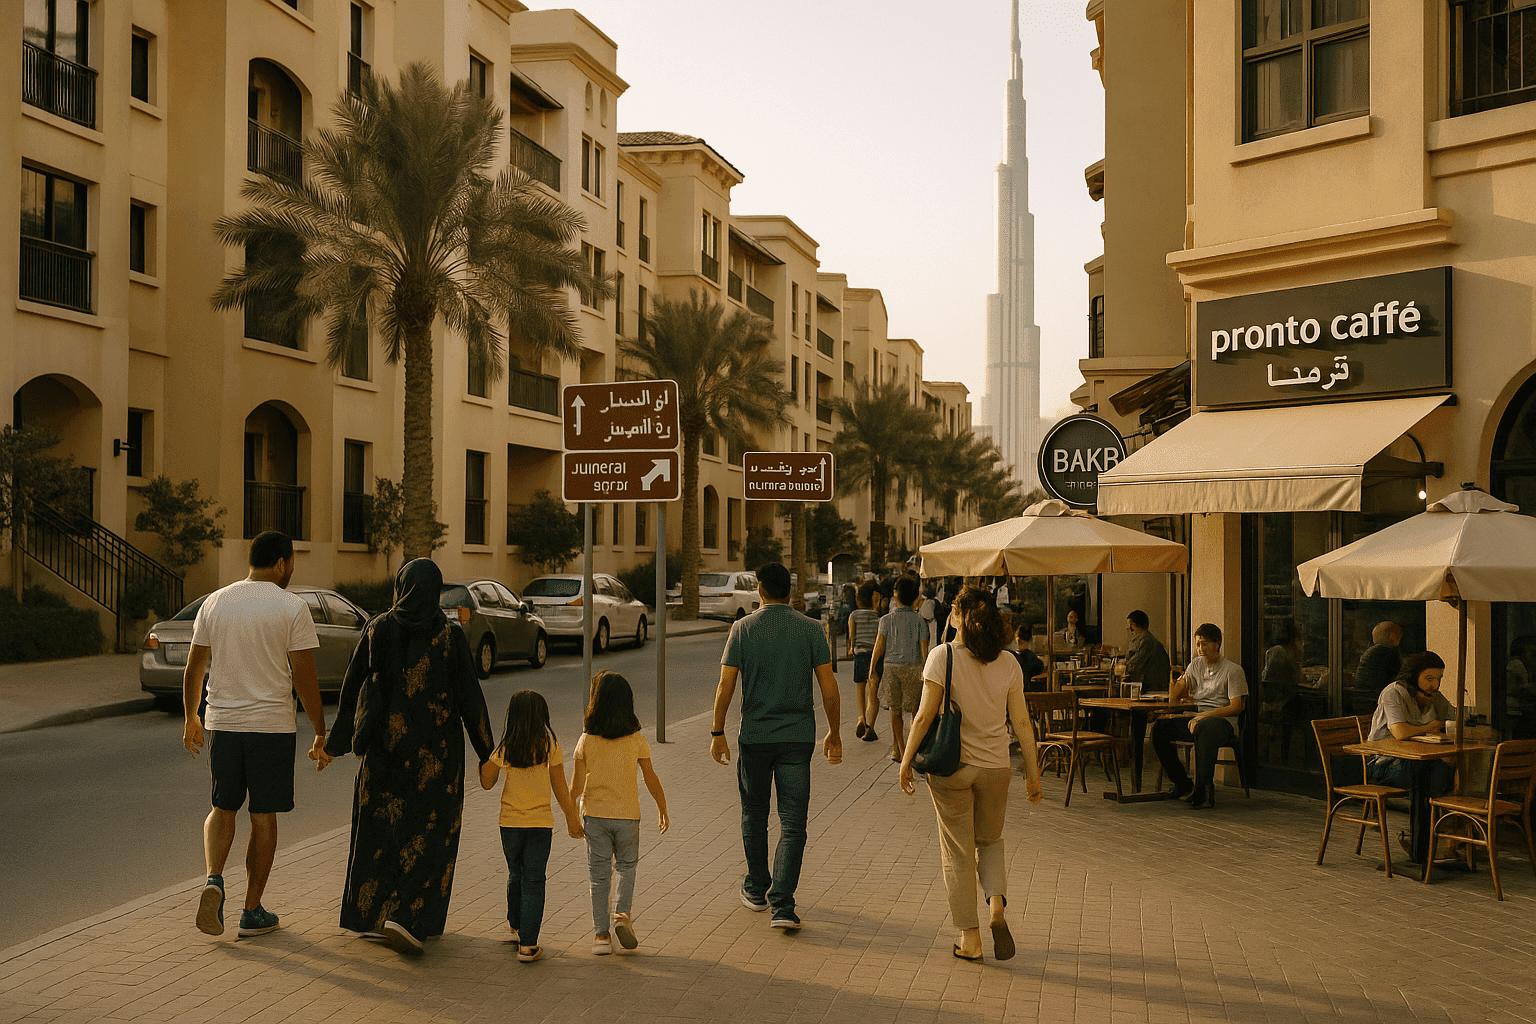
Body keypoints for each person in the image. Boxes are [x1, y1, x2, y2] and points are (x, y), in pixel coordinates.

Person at [321, 557, 495, 956]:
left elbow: (352, 688)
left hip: (385, 752)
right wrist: (487, 753)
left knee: (379, 831)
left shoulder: (378, 627)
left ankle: (373, 916)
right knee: (429, 834)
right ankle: (410, 918)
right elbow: (470, 698)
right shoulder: (449, 635)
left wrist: (335, 743)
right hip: (437, 758)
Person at [181, 530, 325, 940]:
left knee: (222, 807)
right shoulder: (292, 607)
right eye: (291, 562)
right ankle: (251, 910)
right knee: (263, 817)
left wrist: (191, 718)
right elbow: (305, 678)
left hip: (222, 724)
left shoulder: (215, 601)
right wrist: (320, 731)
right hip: (271, 728)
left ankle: (213, 879)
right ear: (281, 563)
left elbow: (194, 667)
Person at [899, 586, 1042, 962]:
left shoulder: (942, 656)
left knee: (958, 853)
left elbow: (923, 717)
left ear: (958, 615)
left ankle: (970, 939)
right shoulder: (1009, 662)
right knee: (990, 842)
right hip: (996, 768)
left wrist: (906, 760)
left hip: (953, 769)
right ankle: (997, 908)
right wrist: (1033, 774)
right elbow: (1022, 722)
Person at [710, 562, 842, 931]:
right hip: (798, 739)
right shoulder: (812, 629)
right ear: (791, 592)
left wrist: (717, 732)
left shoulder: (742, 629)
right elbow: (829, 686)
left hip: (754, 738)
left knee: (754, 814)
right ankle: (783, 905)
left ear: (760, 589)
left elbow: (725, 685)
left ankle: (756, 889)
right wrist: (834, 732)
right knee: (793, 822)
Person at [479, 690, 583, 964]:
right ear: (541, 717)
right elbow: (560, 787)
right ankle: (528, 945)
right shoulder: (550, 747)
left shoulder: (506, 748)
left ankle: (516, 925)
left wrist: (486, 759)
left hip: (509, 825)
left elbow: (486, 782)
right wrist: (572, 818)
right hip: (540, 825)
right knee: (534, 880)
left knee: (516, 874)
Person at [571, 672, 669, 956]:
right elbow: (650, 777)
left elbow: (575, 786)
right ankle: (622, 915)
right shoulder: (636, 739)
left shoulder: (586, 740)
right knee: (627, 867)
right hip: (627, 816)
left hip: (595, 816)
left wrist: (570, 815)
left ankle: (601, 936)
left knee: (599, 875)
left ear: (595, 702)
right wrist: (662, 807)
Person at [1366, 652, 1455, 861]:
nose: (1435, 685)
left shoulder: (1432, 695)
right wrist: (1431, 726)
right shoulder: (1393, 693)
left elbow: (1455, 718)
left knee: (1450, 771)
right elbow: (1400, 731)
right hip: (1383, 763)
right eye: (1429, 678)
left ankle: (1432, 842)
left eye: (1439, 679)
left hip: (1418, 761)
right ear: (1414, 676)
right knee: (1431, 774)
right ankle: (1430, 844)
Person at [1150, 623, 1248, 809]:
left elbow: (1237, 706)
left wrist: (1204, 716)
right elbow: (1176, 695)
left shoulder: (1233, 670)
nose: (1200, 648)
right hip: (1198, 718)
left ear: (1216, 643)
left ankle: (1204, 791)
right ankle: (1182, 782)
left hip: (1223, 721)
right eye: (1197, 644)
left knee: (1205, 729)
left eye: (1204, 643)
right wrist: (1176, 681)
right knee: (1160, 728)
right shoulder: (1195, 664)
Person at [871, 575, 931, 763]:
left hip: (891, 669)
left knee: (895, 710)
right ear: (915, 597)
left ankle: (900, 749)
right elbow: (924, 650)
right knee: (915, 712)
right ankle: (913, 749)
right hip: (913, 668)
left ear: (895, 595)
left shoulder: (885, 620)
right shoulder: (920, 621)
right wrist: (926, 672)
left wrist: (872, 668)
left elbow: (879, 646)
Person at [1259, 620, 1305, 764]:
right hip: (1279, 702)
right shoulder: (1279, 652)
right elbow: (1291, 679)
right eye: (1298, 636)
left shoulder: (1278, 651)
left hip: (1277, 700)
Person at [847, 583, 881, 743]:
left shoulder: (853, 615)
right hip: (874, 657)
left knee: (860, 688)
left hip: (860, 655)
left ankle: (861, 717)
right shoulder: (878, 617)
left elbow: (852, 636)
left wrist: (851, 648)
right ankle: (869, 725)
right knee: (873, 692)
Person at [1351, 621, 1404, 711]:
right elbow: (1399, 677)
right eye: (1399, 634)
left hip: (1365, 698)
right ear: (1391, 636)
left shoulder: (1372, 651)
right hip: (1376, 699)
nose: (1401, 637)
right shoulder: (1387, 652)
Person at [1123, 611, 1171, 692]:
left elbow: (1133, 666)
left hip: (1154, 690)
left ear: (1139, 626)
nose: (1131, 632)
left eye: (1132, 628)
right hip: (1151, 687)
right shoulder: (1143, 640)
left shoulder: (1148, 642)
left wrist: (1122, 666)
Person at [1011, 623, 1046, 690]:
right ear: (1030, 639)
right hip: (1027, 689)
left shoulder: (1013, 656)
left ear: (1017, 638)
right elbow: (1039, 668)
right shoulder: (1032, 657)